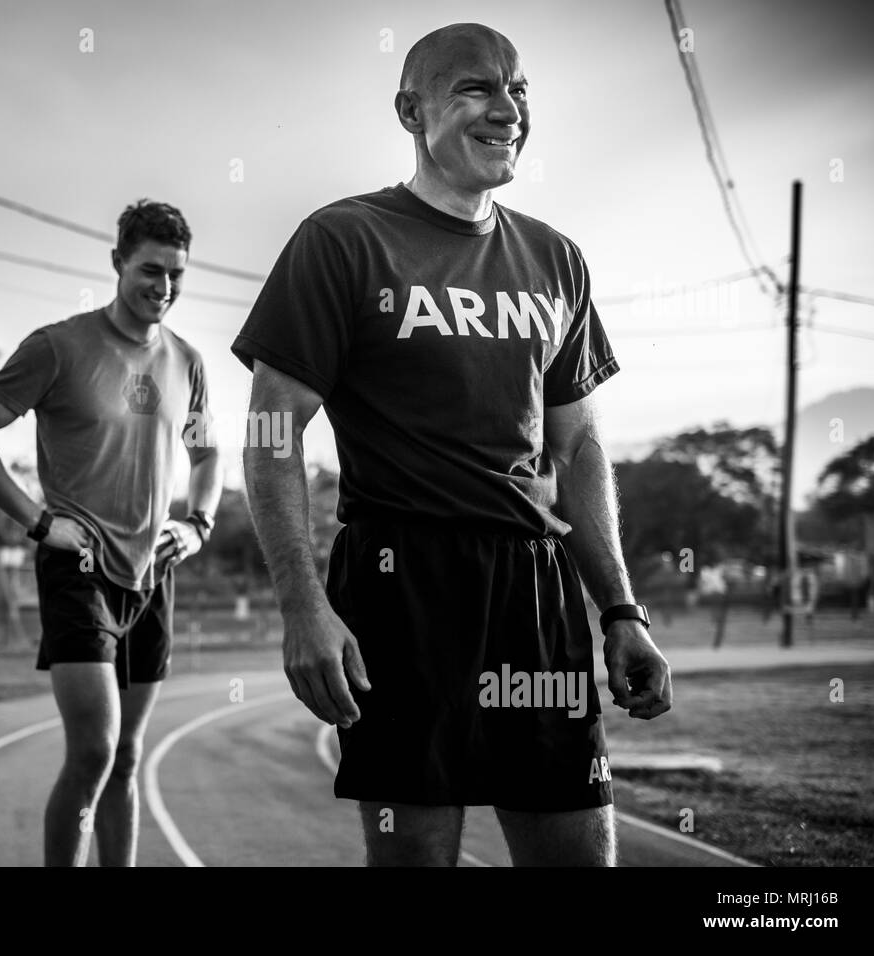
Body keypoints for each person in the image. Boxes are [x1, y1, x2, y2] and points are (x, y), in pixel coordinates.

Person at [233, 22, 672, 866]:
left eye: (519, 88)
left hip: (533, 594)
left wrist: (620, 610)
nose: (507, 107)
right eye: (476, 88)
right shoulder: (343, 239)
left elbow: (577, 451)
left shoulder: (556, 259)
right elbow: (271, 431)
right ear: (411, 110)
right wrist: (300, 603)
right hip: (402, 589)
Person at [0, 200, 221, 866]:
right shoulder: (58, 347)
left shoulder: (188, 360)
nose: (164, 287)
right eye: (150, 271)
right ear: (117, 263)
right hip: (81, 570)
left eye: (177, 275)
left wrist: (198, 523)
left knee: (128, 756)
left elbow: (208, 453)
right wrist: (40, 522)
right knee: (96, 749)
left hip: (152, 576)